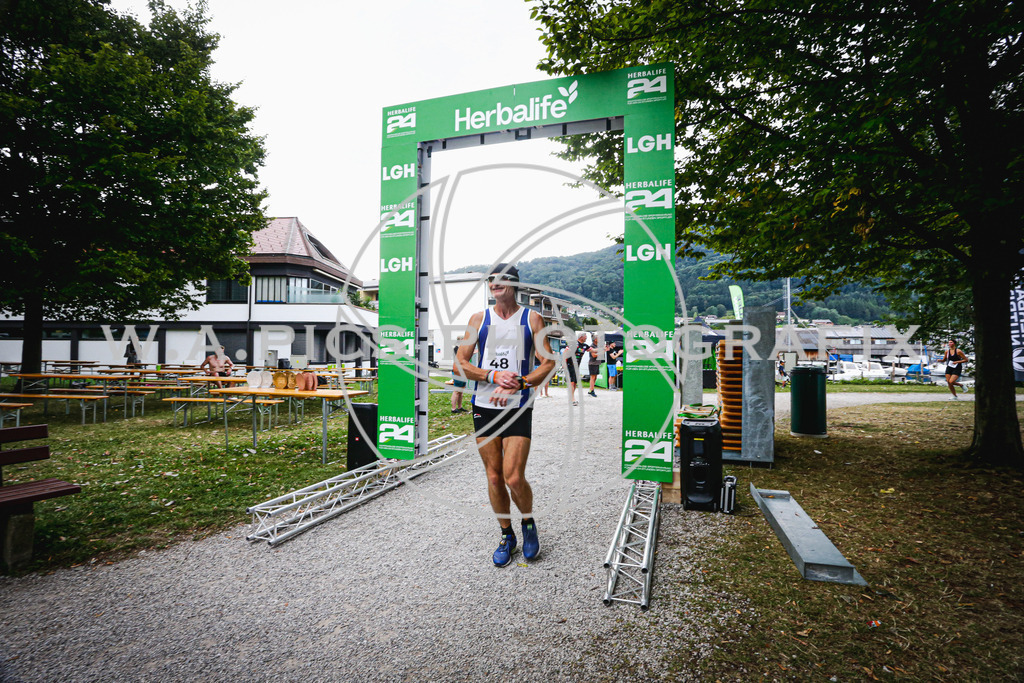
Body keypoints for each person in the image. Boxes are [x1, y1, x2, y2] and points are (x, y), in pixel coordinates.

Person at [455, 263, 555, 567]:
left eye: (502, 280)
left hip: (518, 406)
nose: (495, 284)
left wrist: (521, 382)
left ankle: (527, 523)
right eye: (491, 280)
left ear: (514, 284)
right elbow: (461, 361)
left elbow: (547, 362)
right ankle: (506, 534)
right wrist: (490, 376)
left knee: (513, 476)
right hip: (484, 406)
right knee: (495, 477)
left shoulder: (532, 318)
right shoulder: (478, 319)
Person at [565, 331, 589, 406]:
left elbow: (593, 350)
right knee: (572, 382)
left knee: (575, 383)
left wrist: (603, 350)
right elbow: (565, 352)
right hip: (570, 364)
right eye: (585, 336)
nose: (586, 337)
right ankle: (572, 399)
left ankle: (571, 397)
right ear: (581, 337)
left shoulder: (584, 345)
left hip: (576, 366)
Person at [451, 345, 467, 414]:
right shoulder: (457, 349)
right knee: (456, 391)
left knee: (461, 391)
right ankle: (453, 409)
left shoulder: (461, 349)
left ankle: (459, 407)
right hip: (458, 372)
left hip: (463, 372)